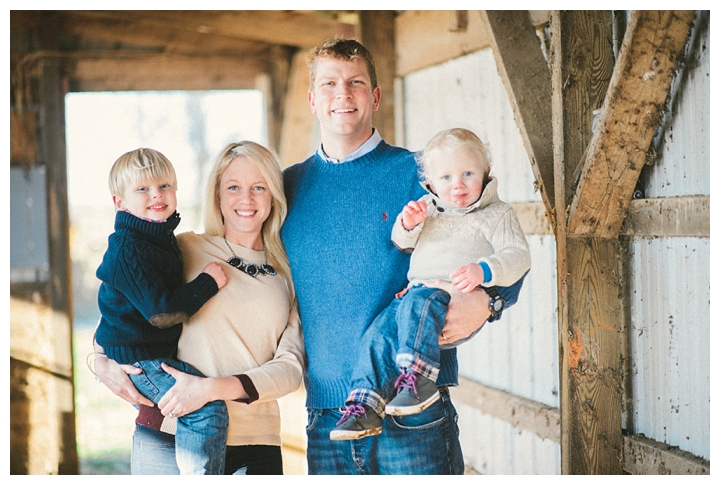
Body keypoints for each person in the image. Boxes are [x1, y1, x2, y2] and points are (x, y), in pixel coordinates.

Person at [281, 39, 526, 474]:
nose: (343, 94)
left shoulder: (425, 174)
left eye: (356, 82)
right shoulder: (288, 188)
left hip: (413, 406)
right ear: (312, 99)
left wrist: (491, 303)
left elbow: (504, 242)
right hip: (327, 416)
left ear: (375, 95)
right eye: (330, 84)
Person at [93, 142, 305, 475]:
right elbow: (121, 311)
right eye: (233, 187)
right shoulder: (183, 249)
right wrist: (100, 362)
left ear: (273, 195)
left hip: (256, 441)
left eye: (259, 187)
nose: (245, 199)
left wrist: (210, 390)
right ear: (217, 196)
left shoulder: (290, 273)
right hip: (168, 432)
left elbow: (291, 368)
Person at [330, 128, 531, 440]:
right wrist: (408, 224)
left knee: (420, 302)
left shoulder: (496, 214)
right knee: (378, 334)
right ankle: (364, 406)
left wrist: (484, 271)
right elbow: (401, 242)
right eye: (446, 178)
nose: (458, 185)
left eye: (468, 173)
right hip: (413, 297)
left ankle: (419, 381)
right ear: (431, 182)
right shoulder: (429, 208)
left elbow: (519, 257)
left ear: (485, 172)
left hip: (450, 300)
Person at [95, 148, 229, 474]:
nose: (157, 194)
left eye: (165, 186)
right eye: (143, 189)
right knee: (205, 409)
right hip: (140, 360)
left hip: (146, 352)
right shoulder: (131, 247)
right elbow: (161, 312)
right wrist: (207, 283)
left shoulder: (157, 237)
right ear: (120, 202)